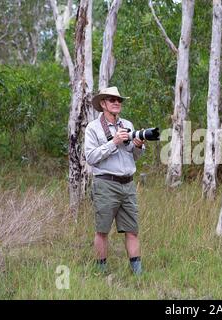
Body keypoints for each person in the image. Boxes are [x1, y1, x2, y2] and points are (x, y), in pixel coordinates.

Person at [85, 86, 145, 275]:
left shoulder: (127, 124)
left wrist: (138, 146)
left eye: (119, 100)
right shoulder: (93, 128)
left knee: (132, 230)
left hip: (128, 184)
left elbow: (134, 156)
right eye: (112, 100)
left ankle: (138, 274)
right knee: (102, 230)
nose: (117, 103)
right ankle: (101, 273)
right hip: (105, 184)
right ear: (103, 104)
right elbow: (91, 157)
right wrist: (114, 142)